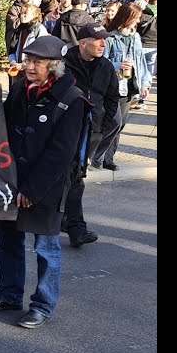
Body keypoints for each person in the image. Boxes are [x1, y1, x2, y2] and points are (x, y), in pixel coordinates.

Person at [0, 35, 85, 329]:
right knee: (8, 242)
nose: (30, 66)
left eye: (37, 62)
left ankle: (43, 305)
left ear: (55, 66)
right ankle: (9, 295)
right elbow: (1, 128)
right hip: (11, 183)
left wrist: (32, 190)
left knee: (46, 248)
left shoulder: (72, 100)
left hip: (45, 189)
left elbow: (61, 154)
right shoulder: (19, 89)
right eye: (28, 60)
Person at [61, 23, 119, 247]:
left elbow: (112, 98)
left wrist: (102, 126)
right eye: (99, 40)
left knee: (74, 175)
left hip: (91, 131)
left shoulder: (106, 66)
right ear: (83, 43)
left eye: (105, 39)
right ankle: (75, 227)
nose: (103, 43)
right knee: (73, 176)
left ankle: (67, 220)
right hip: (66, 129)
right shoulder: (64, 63)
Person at [93, 3, 151, 171]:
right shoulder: (111, 37)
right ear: (128, 18)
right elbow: (101, 62)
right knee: (114, 122)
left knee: (121, 124)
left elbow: (142, 63)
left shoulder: (136, 37)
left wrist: (145, 83)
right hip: (113, 87)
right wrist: (118, 65)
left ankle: (108, 159)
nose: (138, 21)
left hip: (131, 86)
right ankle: (96, 155)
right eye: (137, 18)